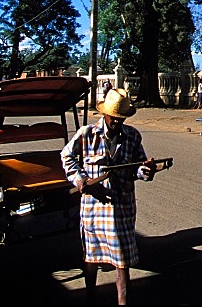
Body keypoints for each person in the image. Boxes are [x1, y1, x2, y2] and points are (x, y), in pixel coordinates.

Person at [61, 88, 158, 305]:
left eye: (120, 118)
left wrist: (146, 171)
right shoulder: (86, 134)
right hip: (94, 208)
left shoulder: (132, 136)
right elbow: (66, 156)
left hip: (122, 206)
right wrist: (81, 180)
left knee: (122, 260)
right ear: (104, 113)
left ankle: (122, 301)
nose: (116, 121)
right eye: (113, 117)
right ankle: (90, 295)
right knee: (92, 257)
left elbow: (138, 168)